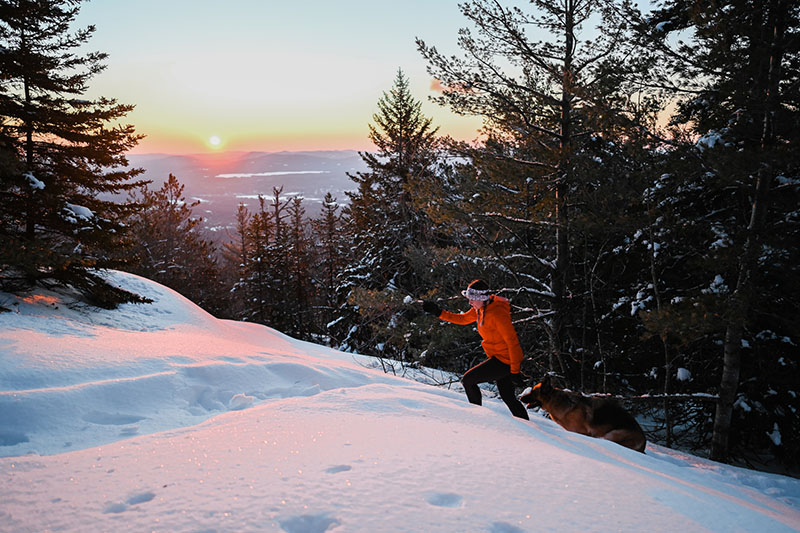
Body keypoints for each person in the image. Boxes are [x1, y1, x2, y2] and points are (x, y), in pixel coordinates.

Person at [423, 279, 529, 420]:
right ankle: (528, 429)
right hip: (498, 358)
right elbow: (462, 319)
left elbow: (513, 343)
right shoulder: (480, 309)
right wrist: (438, 312)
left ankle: (477, 418)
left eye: (472, 299)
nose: (470, 303)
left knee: (468, 380)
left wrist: (515, 371)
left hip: (505, 361)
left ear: (481, 298)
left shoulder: (498, 314)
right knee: (508, 397)